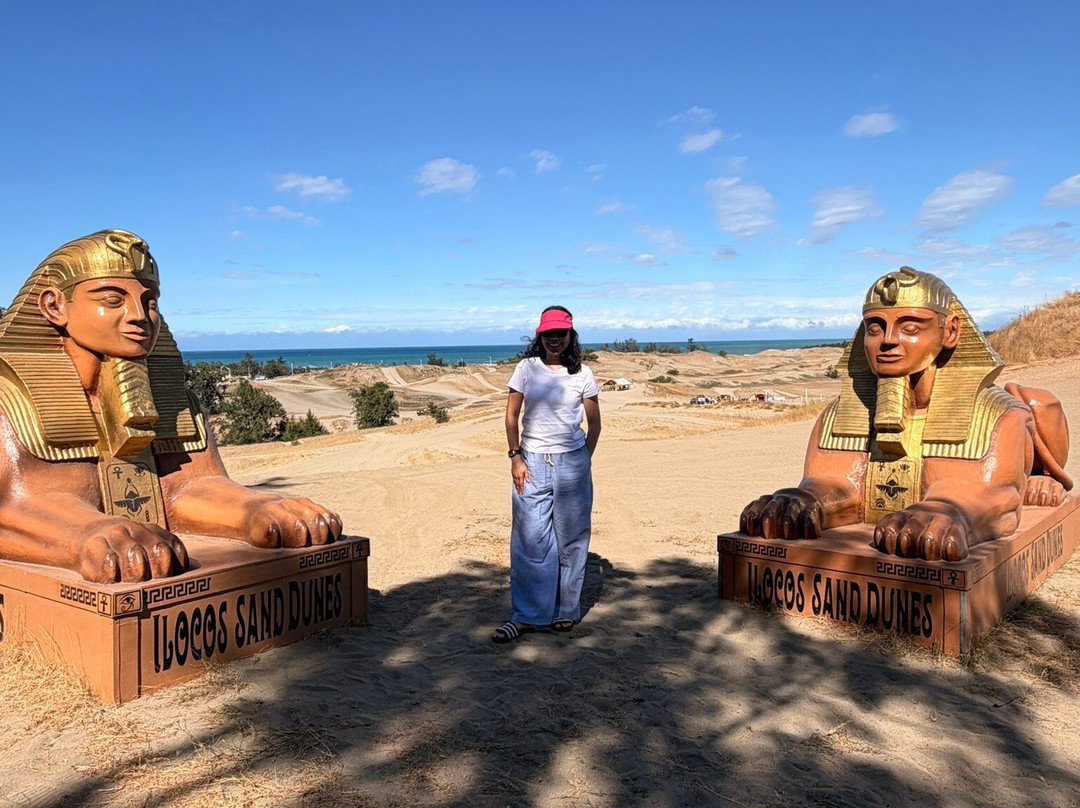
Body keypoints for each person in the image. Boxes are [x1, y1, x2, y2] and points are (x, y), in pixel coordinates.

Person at [0, 230, 342, 584]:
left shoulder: (181, 404)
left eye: (150, 301)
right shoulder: (8, 406)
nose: (139, 316)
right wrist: (84, 535)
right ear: (54, 307)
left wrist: (251, 509)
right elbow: (11, 509)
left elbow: (183, 491)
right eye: (113, 299)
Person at [739, 266, 1070, 562]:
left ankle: (1043, 473)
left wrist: (951, 510)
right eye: (875, 328)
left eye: (910, 326)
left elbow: (990, 496)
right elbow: (839, 484)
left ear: (950, 332)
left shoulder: (998, 418)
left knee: (1038, 404)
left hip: (1022, 442)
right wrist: (802, 501)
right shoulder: (834, 417)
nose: (889, 341)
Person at [493, 306, 601, 643]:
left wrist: (584, 458)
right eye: (548, 333)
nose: (555, 339)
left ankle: (565, 611)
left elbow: (594, 423)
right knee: (530, 539)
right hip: (532, 462)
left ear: (571, 336)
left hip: (572, 463)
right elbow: (511, 416)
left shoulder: (582, 373)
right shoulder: (526, 369)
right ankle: (527, 616)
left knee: (571, 539)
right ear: (539, 336)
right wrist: (515, 457)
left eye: (561, 333)